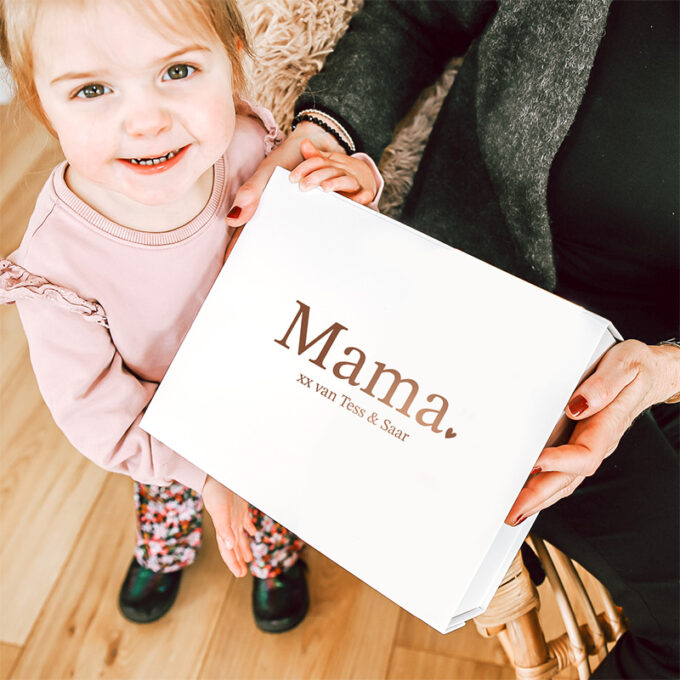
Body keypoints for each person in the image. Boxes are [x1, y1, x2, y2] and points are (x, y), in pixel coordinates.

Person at [225, 0, 680, 676]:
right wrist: (330, 128)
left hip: (655, 364)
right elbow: (415, 14)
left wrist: (666, 371)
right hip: (484, 313)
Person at [0, 0, 380, 632]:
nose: (147, 120)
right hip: (167, 430)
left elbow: (329, 256)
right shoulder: (56, 264)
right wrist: (203, 470)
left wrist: (351, 187)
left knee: (272, 499)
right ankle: (164, 551)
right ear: (43, 105)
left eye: (177, 71)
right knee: (165, 500)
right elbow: (98, 411)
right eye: (92, 89)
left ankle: (275, 561)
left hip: (274, 395)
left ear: (233, 64)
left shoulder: (255, 150)